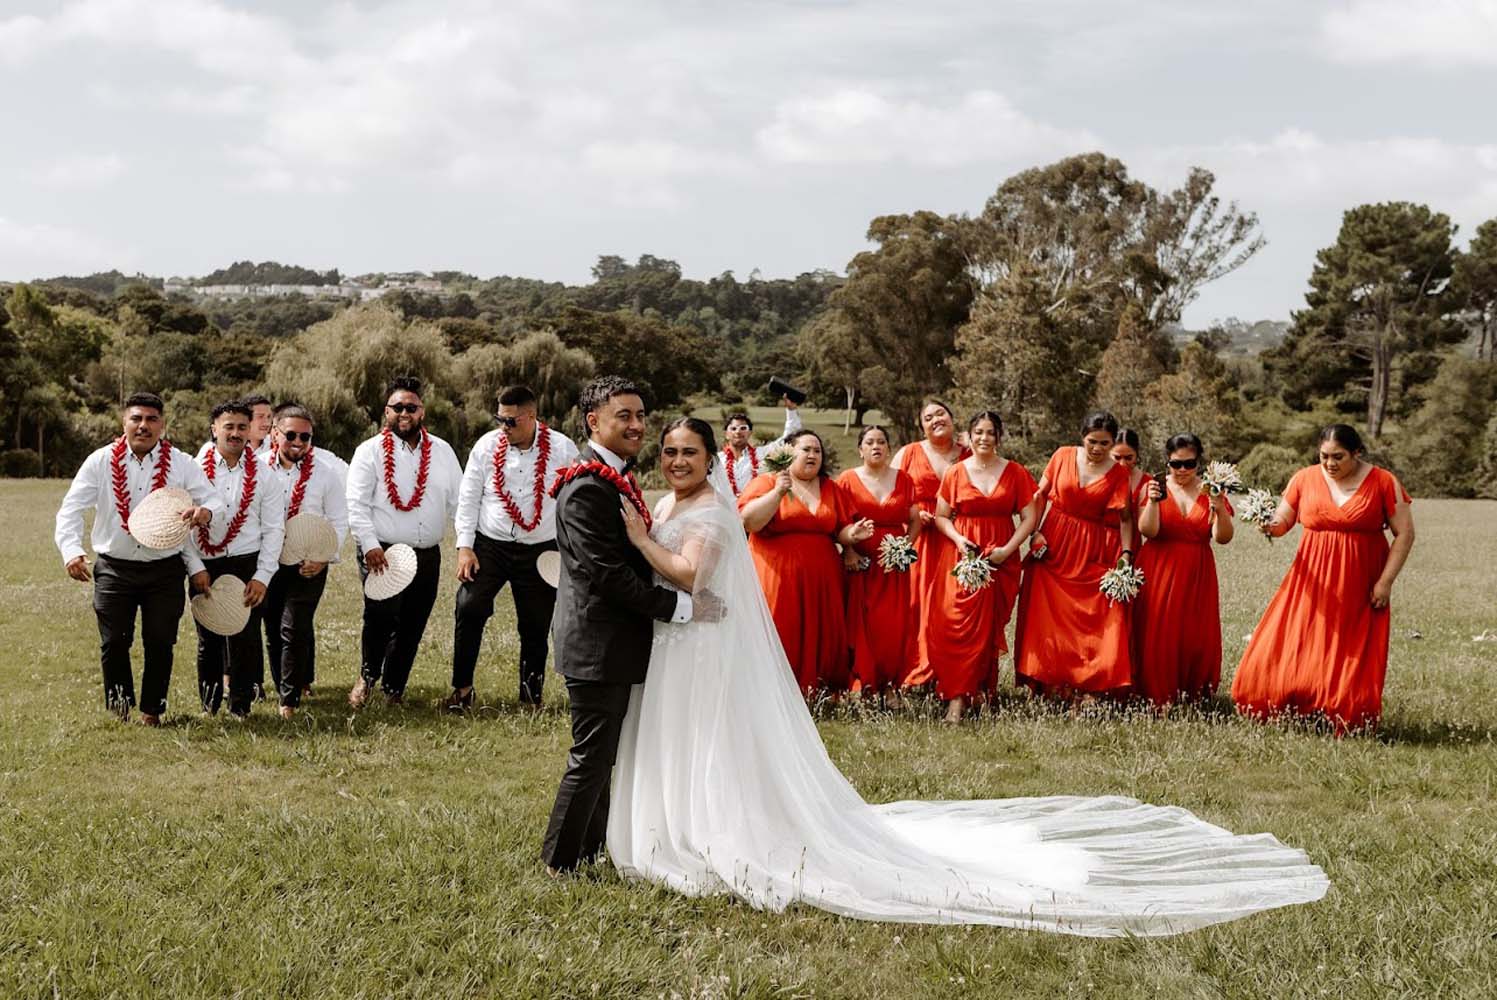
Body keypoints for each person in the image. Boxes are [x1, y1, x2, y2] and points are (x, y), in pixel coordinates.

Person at [603, 409, 1329, 934]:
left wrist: (637, 537)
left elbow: (693, 570)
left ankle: (715, 822)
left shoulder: (689, 508)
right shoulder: (682, 496)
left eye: (686, 450)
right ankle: (685, 816)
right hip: (692, 635)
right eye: (666, 449)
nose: (674, 460)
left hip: (713, 624)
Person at [540, 379, 721, 874]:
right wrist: (683, 608)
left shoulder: (612, 478)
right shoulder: (586, 489)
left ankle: (591, 849)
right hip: (597, 643)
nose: (637, 425)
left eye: (641, 415)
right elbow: (609, 577)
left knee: (606, 757)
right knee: (592, 757)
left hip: (616, 642)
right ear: (594, 421)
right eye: (625, 415)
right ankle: (558, 862)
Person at [1232, 424, 1415, 732]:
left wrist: (1385, 582)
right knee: (1297, 639)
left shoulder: (1383, 481)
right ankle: (1294, 701)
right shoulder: (1304, 478)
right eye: (1324, 456)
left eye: (1338, 457)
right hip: (1312, 577)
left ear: (1357, 453)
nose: (1330, 464)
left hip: (1361, 579)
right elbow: (1283, 521)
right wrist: (1267, 524)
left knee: (1351, 647)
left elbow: (1405, 534)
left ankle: (1344, 709)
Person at [54, 392, 221, 725]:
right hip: (115, 568)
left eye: (151, 419)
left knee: (160, 641)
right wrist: (71, 550)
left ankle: (152, 710)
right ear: (124, 422)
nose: (143, 426)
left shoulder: (183, 463)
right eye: (136, 418)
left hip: (165, 570)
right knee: (114, 641)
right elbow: (71, 508)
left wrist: (204, 512)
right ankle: (119, 707)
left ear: (162, 424)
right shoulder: (100, 461)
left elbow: (214, 501)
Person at [449, 385, 579, 710]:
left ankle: (530, 699)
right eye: (499, 419)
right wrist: (465, 547)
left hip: (540, 547)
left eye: (511, 421)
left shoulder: (563, 449)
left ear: (531, 416)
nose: (503, 428)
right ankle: (462, 691)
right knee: (469, 606)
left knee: (535, 624)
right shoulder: (485, 446)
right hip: (490, 545)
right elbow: (468, 498)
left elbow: (575, 501)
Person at [345, 376, 463, 707]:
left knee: (412, 623)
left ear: (422, 411)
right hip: (382, 551)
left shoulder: (442, 451)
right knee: (380, 618)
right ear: (386, 412)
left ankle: (394, 689)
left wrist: (467, 542)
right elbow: (356, 503)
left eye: (411, 407)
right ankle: (367, 678)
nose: (404, 413)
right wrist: (369, 545)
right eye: (398, 407)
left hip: (426, 553)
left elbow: (459, 501)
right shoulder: (368, 452)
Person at [737, 429, 873, 696]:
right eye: (806, 449)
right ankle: (774, 690)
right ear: (789, 454)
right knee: (780, 626)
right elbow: (749, 521)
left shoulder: (830, 488)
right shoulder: (767, 482)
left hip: (824, 578)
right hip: (775, 574)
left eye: (817, 451)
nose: (812, 455)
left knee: (823, 631)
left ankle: (819, 687)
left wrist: (852, 535)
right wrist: (778, 492)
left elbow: (840, 530)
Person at [1013, 411, 1137, 700]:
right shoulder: (1062, 455)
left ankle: (1088, 686)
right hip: (1053, 542)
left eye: (1105, 444)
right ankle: (1049, 684)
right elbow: (1040, 496)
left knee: (1091, 619)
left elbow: (1126, 518)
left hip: (1089, 549)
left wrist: (1126, 556)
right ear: (1082, 437)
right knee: (1045, 617)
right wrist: (1034, 533)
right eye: (1092, 441)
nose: (1097, 448)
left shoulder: (1118, 473)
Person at [927, 412, 1039, 722]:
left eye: (990, 433)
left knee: (990, 628)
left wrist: (1007, 550)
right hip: (963, 556)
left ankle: (982, 692)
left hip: (1000, 556)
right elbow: (941, 517)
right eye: (978, 432)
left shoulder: (1015, 473)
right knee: (958, 627)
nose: (984, 438)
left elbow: (1029, 518)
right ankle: (956, 698)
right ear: (969, 435)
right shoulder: (955, 473)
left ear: (999, 437)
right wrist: (960, 541)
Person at [184, 401, 286, 717]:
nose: (235, 433)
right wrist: (195, 566)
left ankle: (240, 706)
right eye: (228, 426)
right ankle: (209, 705)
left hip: (246, 562)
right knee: (209, 639)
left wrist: (262, 576)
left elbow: (274, 528)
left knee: (245, 637)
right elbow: (181, 525)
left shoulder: (265, 475)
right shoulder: (192, 470)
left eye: (242, 426)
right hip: (205, 562)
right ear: (214, 429)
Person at [1132, 434, 1232, 708]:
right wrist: (1152, 502)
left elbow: (1223, 537)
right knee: (1158, 631)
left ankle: (1192, 693)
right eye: (1176, 464)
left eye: (1189, 464)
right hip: (1159, 566)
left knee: (1194, 632)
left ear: (1199, 462)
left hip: (1197, 570)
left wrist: (1220, 508)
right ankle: (1154, 694)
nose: (1183, 471)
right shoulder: (1155, 488)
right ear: (1167, 462)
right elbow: (1147, 531)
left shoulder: (1211, 491)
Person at [261, 404, 347, 718]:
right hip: (268, 562)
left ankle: (289, 701)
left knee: (294, 627)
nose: (298, 442)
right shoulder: (257, 468)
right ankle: (285, 683)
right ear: (274, 434)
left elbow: (339, 520)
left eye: (306, 437)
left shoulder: (326, 474)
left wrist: (325, 558)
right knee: (272, 628)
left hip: (308, 562)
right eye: (291, 435)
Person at [835, 426, 919, 703]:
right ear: (860, 449)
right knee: (862, 622)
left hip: (894, 566)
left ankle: (890, 683)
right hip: (862, 562)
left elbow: (915, 518)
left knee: (893, 625)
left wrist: (905, 545)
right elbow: (838, 522)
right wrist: (848, 551)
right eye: (869, 442)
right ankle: (863, 681)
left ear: (889, 449)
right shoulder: (847, 479)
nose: (876, 446)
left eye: (881, 442)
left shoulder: (904, 479)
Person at [893, 400, 969, 687]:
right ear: (921, 425)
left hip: (956, 537)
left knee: (952, 606)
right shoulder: (908, 453)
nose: (936, 419)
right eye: (928, 417)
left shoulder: (969, 453)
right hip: (920, 539)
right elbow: (890, 491)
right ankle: (916, 673)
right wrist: (911, 513)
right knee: (917, 604)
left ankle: (948, 671)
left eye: (941, 413)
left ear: (952, 417)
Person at [719, 398, 802, 498]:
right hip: (725, 510)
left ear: (749, 433)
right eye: (733, 428)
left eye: (743, 428)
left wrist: (791, 410)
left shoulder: (762, 454)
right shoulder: (716, 460)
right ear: (727, 434)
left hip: (755, 508)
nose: (738, 432)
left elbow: (790, 436)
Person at [197, 393, 274, 461]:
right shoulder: (212, 449)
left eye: (269, 416)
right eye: (260, 416)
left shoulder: (276, 444)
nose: (267, 423)